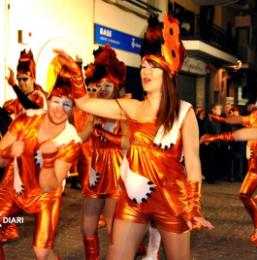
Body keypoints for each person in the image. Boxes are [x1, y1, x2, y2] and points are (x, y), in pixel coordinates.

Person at [56, 14, 213, 260]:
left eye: (153, 66)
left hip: (172, 200)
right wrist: (77, 74)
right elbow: (85, 103)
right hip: (133, 196)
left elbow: (193, 163)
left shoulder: (184, 112)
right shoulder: (131, 107)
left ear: (169, 72)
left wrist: (193, 205)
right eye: (143, 66)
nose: (145, 71)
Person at [0, 56, 82, 260]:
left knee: (42, 251)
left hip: (45, 195)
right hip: (15, 183)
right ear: (49, 99)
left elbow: (49, 186)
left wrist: (49, 160)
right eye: (56, 101)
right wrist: (8, 152)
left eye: (67, 104)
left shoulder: (70, 140)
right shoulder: (26, 119)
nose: (59, 108)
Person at [74, 44, 129, 259]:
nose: (104, 88)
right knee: (87, 227)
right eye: (101, 84)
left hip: (115, 170)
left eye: (109, 84)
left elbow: (127, 142)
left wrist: (107, 135)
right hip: (95, 169)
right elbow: (81, 138)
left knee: (113, 229)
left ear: (116, 87)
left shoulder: (123, 109)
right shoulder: (93, 109)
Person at [201, 104, 257, 247]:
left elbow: (241, 135)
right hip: (255, 168)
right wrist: (220, 119)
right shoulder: (256, 115)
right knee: (244, 194)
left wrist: (214, 137)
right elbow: (239, 119)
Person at [4, 49, 47, 118]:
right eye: (19, 79)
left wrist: (14, 85)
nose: (21, 82)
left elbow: (32, 110)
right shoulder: (15, 102)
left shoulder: (38, 97)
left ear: (33, 79)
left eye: (25, 79)